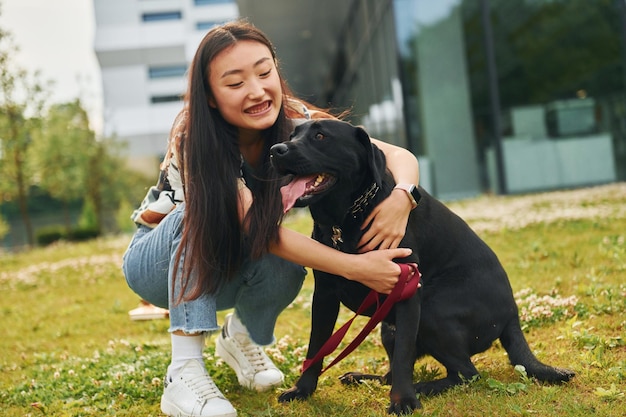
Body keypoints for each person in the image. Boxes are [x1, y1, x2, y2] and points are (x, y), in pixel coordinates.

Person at [122, 19, 420, 417]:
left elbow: (397, 156)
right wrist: (356, 268)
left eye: (264, 73)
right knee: (197, 215)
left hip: (225, 262)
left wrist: (403, 196)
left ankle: (240, 335)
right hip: (157, 263)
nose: (257, 90)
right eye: (234, 83)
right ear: (209, 96)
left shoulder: (295, 118)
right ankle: (184, 372)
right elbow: (249, 222)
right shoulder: (194, 136)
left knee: (291, 260)